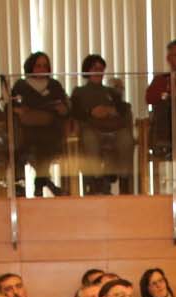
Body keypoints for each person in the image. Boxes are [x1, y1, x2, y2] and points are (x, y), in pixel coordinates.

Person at [70, 54, 134, 195]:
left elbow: (123, 110)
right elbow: (74, 112)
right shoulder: (79, 92)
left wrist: (111, 110)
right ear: (87, 70)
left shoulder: (111, 92)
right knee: (90, 139)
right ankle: (96, 181)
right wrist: (91, 112)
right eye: (95, 68)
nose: (99, 72)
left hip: (113, 129)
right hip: (91, 128)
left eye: (101, 69)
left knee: (126, 138)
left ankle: (124, 182)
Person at [12, 52, 70, 198]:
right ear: (31, 67)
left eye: (45, 66)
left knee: (46, 144)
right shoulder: (21, 85)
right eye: (38, 65)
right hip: (26, 129)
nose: (42, 69)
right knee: (23, 145)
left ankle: (42, 182)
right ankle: (41, 183)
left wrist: (62, 109)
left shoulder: (54, 85)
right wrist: (18, 110)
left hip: (50, 129)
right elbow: (10, 106)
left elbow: (65, 109)